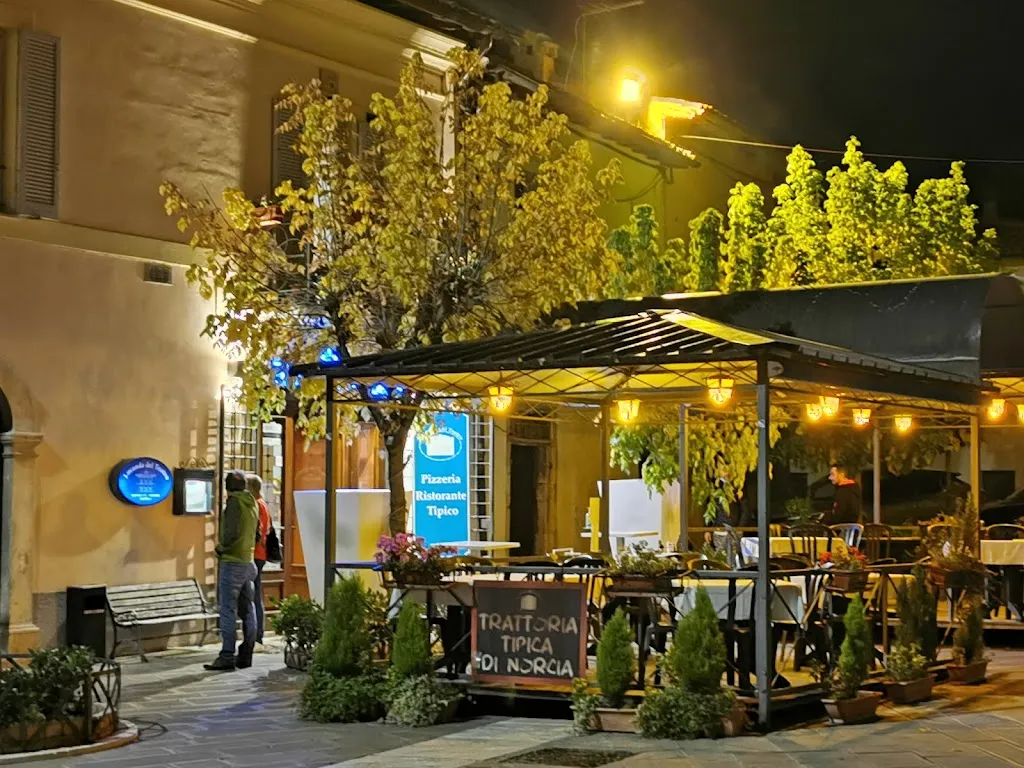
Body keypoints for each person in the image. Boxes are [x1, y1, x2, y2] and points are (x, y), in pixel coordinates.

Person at [205, 470, 258, 672]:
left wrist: (221, 548)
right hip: (248, 562)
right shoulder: (251, 503)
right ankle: (246, 654)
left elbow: (231, 533)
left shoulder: (235, 503)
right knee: (248, 608)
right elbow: (258, 532)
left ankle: (227, 655)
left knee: (227, 609)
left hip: (233, 562)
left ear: (227, 488)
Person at [247, 473, 272, 646]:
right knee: (255, 594)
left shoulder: (256, 505)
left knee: (253, 596)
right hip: (260, 554)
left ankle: (256, 634)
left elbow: (257, 532)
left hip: (255, 554)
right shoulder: (263, 505)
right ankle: (257, 633)